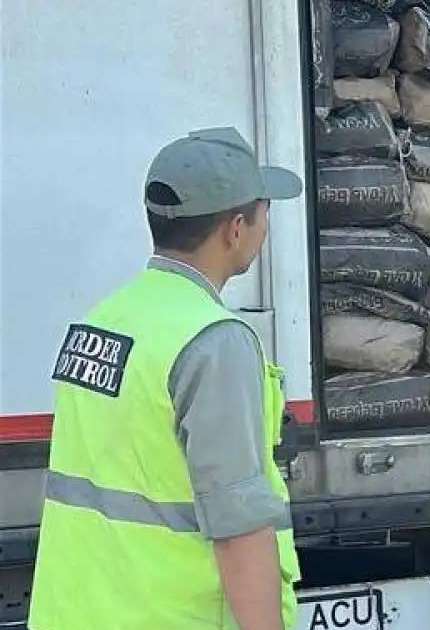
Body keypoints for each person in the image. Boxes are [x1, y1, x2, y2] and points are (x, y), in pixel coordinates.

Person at [28, 127, 304, 630]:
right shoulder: (213, 341)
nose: (267, 226)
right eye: (264, 210)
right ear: (235, 229)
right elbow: (239, 527)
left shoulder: (102, 320)